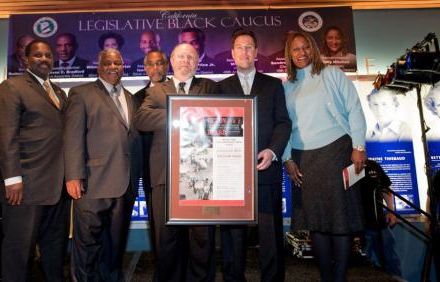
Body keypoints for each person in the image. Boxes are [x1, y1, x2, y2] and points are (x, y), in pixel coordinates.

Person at [283, 31, 367, 282]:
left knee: (339, 219)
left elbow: (354, 108)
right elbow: (284, 125)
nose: (301, 53)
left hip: (336, 151)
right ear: (289, 54)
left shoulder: (331, 74)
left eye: (305, 47)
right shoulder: (286, 86)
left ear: (313, 49)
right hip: (303, 157)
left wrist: (359, 145)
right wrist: (287, 158)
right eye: (296, 49)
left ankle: (339, 278)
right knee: (317, 221)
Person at [0, 39, 70, 282]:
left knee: (55, 252)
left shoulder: (58, 92)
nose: (44, 59)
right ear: (26, 59)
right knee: (19, 251)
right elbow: (5, 135)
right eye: (38, 55)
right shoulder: (12, 87)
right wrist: (12, 179)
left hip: (57, 188)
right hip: (25, 186)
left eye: (48, 55)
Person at [135, 43, 217, 282]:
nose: (185, 61)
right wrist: (181, 111)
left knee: (201, 239)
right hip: (165, 177)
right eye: (180, 56)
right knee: (167, 241)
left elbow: (220, 116)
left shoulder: (210, 87)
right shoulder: (158, 90)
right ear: (171, 61)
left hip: (202, 177)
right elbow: (141, 118)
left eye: (190, 57)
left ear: (197, 62)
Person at [217, 29, 291, 282]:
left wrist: (272, 151)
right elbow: (214, 127)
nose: (245, 51)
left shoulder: (273, 85)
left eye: (249, 47)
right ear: (232, 53)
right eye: (240, 47)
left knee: (269, 233)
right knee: (232, 235)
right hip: (230, 175)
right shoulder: (220, 88)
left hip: (265, 169)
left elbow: (283, 123)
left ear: (256, 52)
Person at [64, 48, 142, 281]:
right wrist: (73, 176)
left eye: (117, 62)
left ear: (123, 66)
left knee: (114, 249)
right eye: (108, 62)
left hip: (124, 185)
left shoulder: (131, 97)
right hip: (92, 184)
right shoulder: (81, 93)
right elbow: (72, 136)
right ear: (98, 66)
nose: (113, 66)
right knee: (87, 247)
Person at [133, 50, 169, 257]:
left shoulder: (179, 91)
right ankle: (161, 269)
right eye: (151, 64)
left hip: (179, 169)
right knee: (157, 226)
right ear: (145, 68)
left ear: (166, 66)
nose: (156, 68)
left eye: (160, 63)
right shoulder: (137, 98)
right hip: (149, 171)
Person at [360, 159, 402, 279]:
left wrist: (391, 210)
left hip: (380, 224)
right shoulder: (344, 167)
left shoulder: (373, 165)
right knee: (359, 269)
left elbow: (386, 188)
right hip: (358, 228)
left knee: (392, 264)